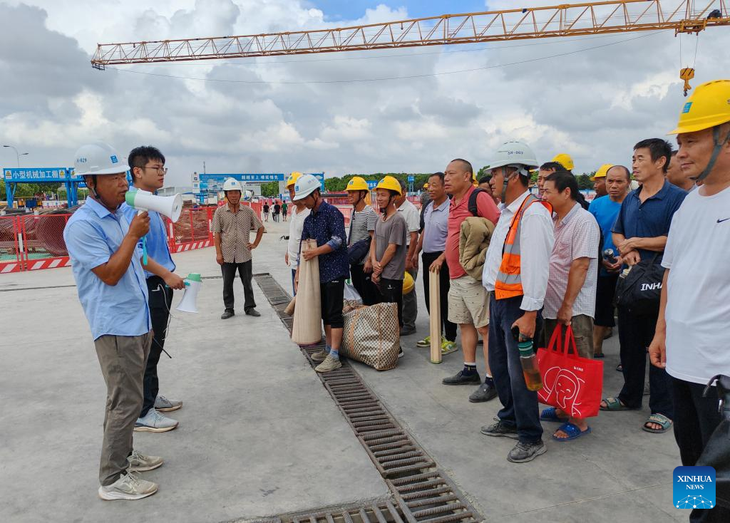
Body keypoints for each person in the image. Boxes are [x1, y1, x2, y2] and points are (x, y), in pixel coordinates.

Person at [649, 79, 730, 523]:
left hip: (723, 377)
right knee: (692, 470)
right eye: (680, 141)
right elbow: (672, 273)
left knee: (723, 495)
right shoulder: (689, 205)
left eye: (693, 140)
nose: (681, 152)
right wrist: (662, 331)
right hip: (682, 366)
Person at [64, 142, 160, 500]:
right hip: (114, 327)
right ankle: (112, 479)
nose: (123, 183)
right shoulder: (82, 226)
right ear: (91, 182)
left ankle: (126, 456)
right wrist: (134, 234)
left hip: (136, 320)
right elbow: (109, 274)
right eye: (114, 177)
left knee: (126, 399)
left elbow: (136, 262)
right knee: (126, 403)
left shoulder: (121, 214)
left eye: (123, 176)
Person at [600, 138, 687, 434]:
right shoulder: (632, 199)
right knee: (629, 345)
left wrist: (639, 243)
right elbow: (618, 233)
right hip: (630, 282)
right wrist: (626, 247)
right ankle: (629, 396)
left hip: (661, 284)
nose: (634, 164)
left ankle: (664, 408)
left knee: (658, 345)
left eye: (639, 159)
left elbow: (678, 239)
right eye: (633, 158)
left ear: (660, 162)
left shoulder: (677, 198)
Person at [480, 141, 554, 463]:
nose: (492, 179)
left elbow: (538, 266)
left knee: (522, 372)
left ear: (513, 174)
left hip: (519, 305)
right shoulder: (508, 212)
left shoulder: (533, 213)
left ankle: (530, 435)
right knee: (500, 367)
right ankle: (510, 417)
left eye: (495, 173)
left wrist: (530, 313)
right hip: (500, 299)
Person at [122, 146, 184, 434]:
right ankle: (143, 411)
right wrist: (167, 275)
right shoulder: (133, 208)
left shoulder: (152, 204)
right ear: (137, 171)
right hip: (151, 285)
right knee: (148, 347)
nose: (161, 173)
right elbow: (136, 253)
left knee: (155, 345)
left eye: (163, 168)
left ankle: (151, 396)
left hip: (160, 283)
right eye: (155, 168)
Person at [540, 170, 601, 441]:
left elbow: (581, 264)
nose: (543, 195)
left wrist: (567, 305)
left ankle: (580, 419)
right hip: (552, 303)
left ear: (566, 192)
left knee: (578, 360)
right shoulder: (553, 219)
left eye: (547, 191)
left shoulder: (584, 221)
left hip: (573, 307)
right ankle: (564, 408)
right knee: (559, 359)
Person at [441, 158, 501, 403]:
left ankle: (492, 379)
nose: (446, 178)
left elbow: (499, 228)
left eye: (451, 173)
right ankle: (469, 369)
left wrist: (482, 260)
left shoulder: (479, 198)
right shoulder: (452, 202)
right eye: (445, 173)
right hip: (455, 276)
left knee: (485, 329)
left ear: (467, 176)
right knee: (464, 323)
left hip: (473, 277)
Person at [294, 174, 350, 373]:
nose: (303, 202)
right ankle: (328, 348)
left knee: (334, 313)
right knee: (325, 312)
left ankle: (335, 354)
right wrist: (299, 272)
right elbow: (303, 246)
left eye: (305, 198)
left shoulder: (331, 213)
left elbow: (338, 240)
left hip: (335, 270)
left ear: (316, 193)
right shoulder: (309, 219)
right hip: (320, 272)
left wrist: (316, 252)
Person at [588, 165, 631, 357]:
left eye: (619, 181)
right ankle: (596, 347)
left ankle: (627, 354)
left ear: (628, 183)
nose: (614, 185)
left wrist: (623, 258)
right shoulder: (596, 205)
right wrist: (599, 260)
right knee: (601, 307)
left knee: (627, 312)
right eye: (610, 181)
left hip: (629, 266)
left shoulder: (634, 203)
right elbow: (590, 236)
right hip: (602, 266)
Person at [414, 172, 457, 354]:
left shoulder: (452, 208)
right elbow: (424, 231)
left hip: (444, 259)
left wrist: (441, 258)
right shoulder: (429, 206)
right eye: (428, 185)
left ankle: (450, 338)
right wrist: (415, 252)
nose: (430, 189)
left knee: (445, 299)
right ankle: (436, 333)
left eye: (434, 185)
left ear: (444, 187)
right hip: (428, 257)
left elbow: (454, 238)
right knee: (430, 297)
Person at [213, 178, 264, 320]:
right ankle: (229, 309)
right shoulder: (220, 212)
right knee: (227, 283)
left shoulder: (248, 211)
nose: (234, 195)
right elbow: (216, 234)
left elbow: (260, 228)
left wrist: (254, 244)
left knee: (247, 282)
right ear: (226, 194)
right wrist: (218, 253)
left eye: (236, 192)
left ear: (240, 194)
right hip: (227, 254)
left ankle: (250, 307)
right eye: (231, 193)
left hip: (244, 254)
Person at [370, 176, 408, 341]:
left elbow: (392, 248)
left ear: (394, 197)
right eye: (378, 195)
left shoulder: (398, 220)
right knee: (384, 312)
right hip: (380, 272)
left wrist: (378, 268)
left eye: (383, 195)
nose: (379, 199)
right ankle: (387, 343)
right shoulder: (381, 218)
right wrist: (373, 262)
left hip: (392, 274)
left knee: (394, 313)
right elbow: (374, 241)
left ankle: (395, 347)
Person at [345, 176, 379, 305]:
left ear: (363, 193)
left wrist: (370, 260)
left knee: (369, 298)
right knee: (360, 296)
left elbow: (374, 238)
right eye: (349, 192)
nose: (350, 195)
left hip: (365, 265)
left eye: (353, 192)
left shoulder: (369, 213)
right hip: (355, 263)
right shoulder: (355, 212)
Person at [396, 179, 420, 336]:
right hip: (396, 251)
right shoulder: (391, 209)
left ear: (404, 192)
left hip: (406, 250)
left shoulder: (410, 210)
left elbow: (414, 236)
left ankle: (409, 323)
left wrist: (409, 258)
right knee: (398, 289)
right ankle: (401, 320)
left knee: (408, 288)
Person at [284, 172, 310, 294]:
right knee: (296, 296)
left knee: (303, 299)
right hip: (293, 262)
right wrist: (288, 251)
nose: (292, 194)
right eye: (290, 191)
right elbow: (294, 234)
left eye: (295, 190)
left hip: (304, 265)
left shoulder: (309, 213)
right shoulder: (294, 210)